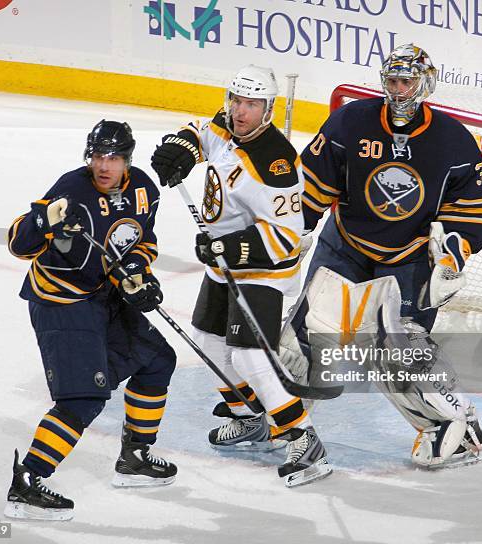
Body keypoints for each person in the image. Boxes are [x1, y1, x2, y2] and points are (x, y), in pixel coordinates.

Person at [291, 44, 482, 469]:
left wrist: (451, 258)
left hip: (410, 255)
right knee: (303, 335)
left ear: (426, 83)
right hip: (344, 242)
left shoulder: (453, 140)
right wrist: (290, 230)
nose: (399, 91)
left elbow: (468, 211)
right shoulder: (351, 121)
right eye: (393, 81)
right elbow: (312, 184)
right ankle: (279, 417)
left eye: (408, 82)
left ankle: (455, 424)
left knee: (398, 351)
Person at [150, 65, 332, 487]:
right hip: (223, 264)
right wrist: (182, 146)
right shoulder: (226, 124)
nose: (240, 112)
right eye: (236, 101)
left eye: (251, 104)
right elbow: (200, 130)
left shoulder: (277, 165)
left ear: (268, 110)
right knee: (210, 342)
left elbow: (287, 237)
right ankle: (248, 415)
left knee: (249, 355)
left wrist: (228, 246)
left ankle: (303, 437)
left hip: (263, 269)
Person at [5, 120, 178, 521]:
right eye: (98, 156)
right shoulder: (72, 188)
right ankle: (27, 481)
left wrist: (137, 275)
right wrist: (42, 222)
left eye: (113, 157)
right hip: (61, 303)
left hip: (103, 295)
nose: (104, 165)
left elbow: (141, 241)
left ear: (127, 160)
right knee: (82, 397)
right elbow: (18, 243)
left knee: (156, 360)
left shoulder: (144, 190)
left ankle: (135, 456)